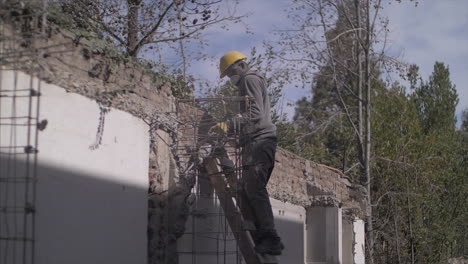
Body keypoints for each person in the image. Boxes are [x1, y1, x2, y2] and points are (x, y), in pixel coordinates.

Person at [218, 50, 284, 255]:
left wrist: (229, 123)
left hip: (261, 141)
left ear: (240, 66)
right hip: (258, 141)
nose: (231, 79)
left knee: (254, 188)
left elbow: (254, 114)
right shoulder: (251, 80)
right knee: (251, 189)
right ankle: (265, 236)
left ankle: (270, 238)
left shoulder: (249, 79)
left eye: (230, 73)